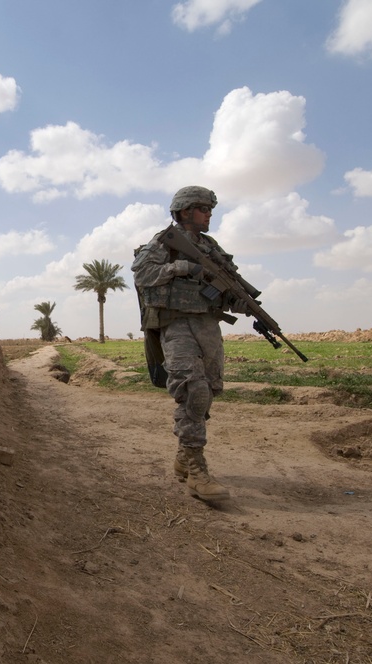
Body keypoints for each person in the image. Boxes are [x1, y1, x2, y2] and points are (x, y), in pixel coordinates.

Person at [131, 185, 242, 501]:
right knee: (193, 391)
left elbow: (229, 283)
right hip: (177, 325)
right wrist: (180, 267)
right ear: (184, 211)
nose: (208, 215)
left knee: (211, 390)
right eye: (203, 209)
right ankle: (196, 470)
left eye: (210, 210)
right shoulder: (164, 242)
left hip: (208, 325)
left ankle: (183, 455)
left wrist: (237, 299)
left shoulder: (211, 247)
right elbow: (143, 274)